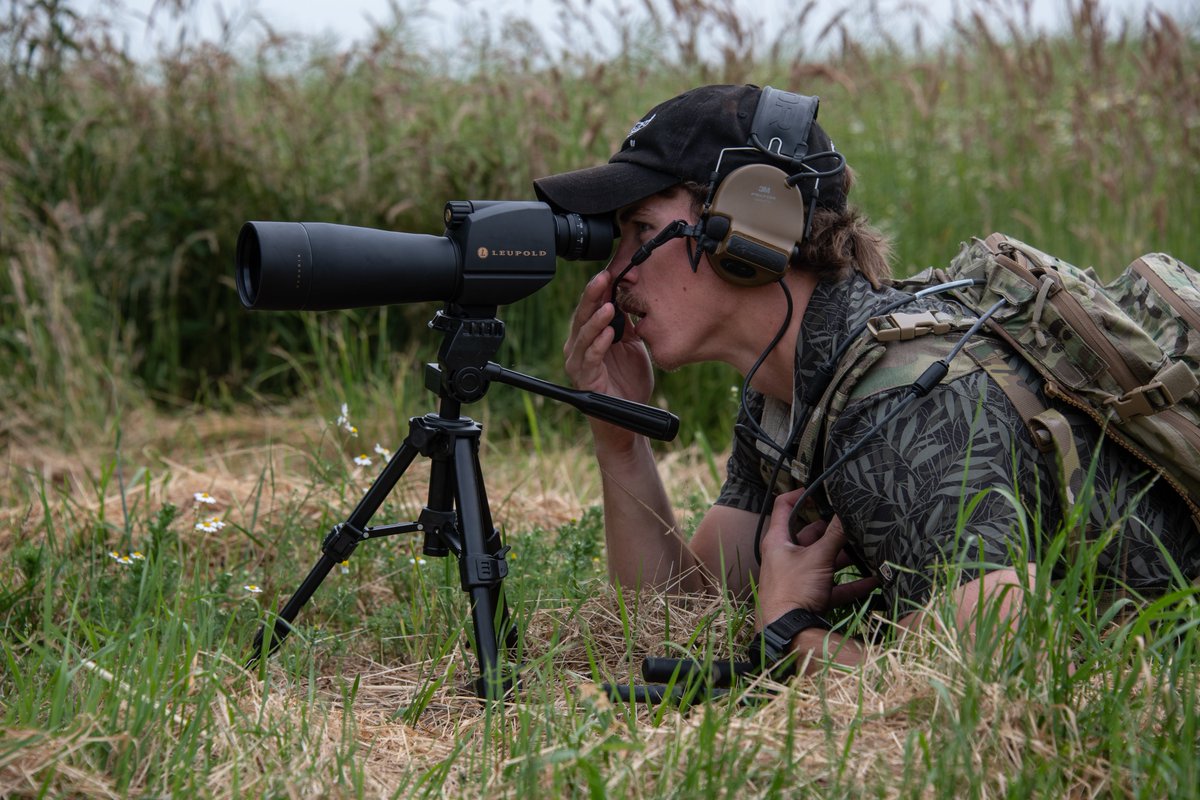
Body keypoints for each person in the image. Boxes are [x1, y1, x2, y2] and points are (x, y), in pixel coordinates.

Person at [532, 84, 1200, 674]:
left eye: (640, 230)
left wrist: (791, 633)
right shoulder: (789, 385)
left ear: (749, 222)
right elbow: (680, 612)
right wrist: (620, 437)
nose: (614, 275)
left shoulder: (904, 398)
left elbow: (990, 677)